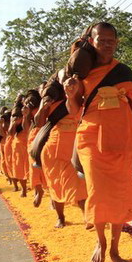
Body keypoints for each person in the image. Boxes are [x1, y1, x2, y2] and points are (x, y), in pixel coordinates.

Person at [65, 22, 132, 262]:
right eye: (102, 40)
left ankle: (115, 249)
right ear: (91, 41)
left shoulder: (124, 71)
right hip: (91, 139)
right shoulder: (81, 74)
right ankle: (100, 241)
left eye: (112, 41)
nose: (108, 45)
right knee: (99, 192)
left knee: (120, 190)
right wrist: (70, 95)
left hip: (122, 138)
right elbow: (75, 110)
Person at [37, 76, 87, 228]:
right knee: (55, 185)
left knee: (78, 185)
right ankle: (61, 218)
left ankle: (88, 217)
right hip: (53, 150)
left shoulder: (77, 96)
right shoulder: (48, 101)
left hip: (73, 148)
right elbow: (38, 123)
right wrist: (43, 108)